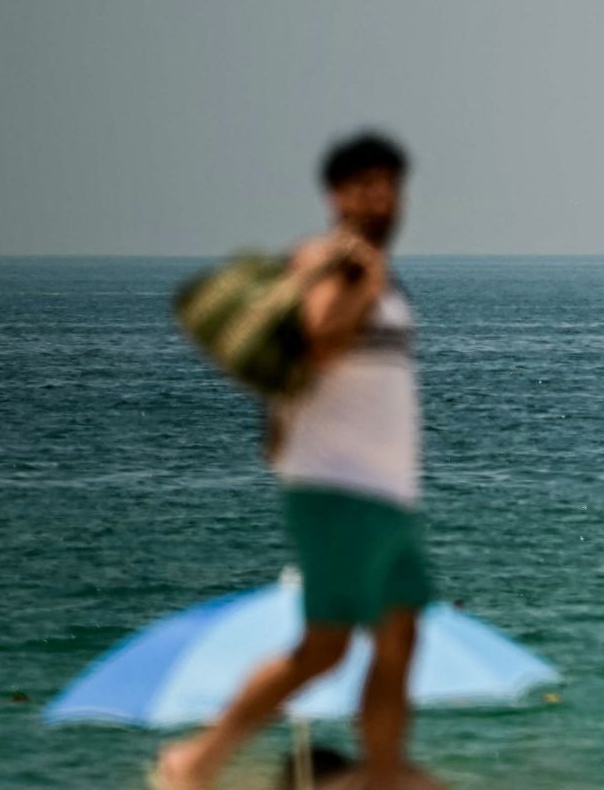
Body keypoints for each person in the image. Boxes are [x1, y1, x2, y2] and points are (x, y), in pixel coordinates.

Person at [159, 132, 432, 790]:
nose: (382, 199)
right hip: (336, 487)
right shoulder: (330, 261)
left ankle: (385, 772)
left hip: (386, 494)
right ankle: (196, 761)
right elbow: (320, 343)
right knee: (325, 648)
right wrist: (362, 283)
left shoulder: (375, 271)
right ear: (336, 195)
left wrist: (372, 280)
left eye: (389, 186)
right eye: (366, 186)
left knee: (400, 636)